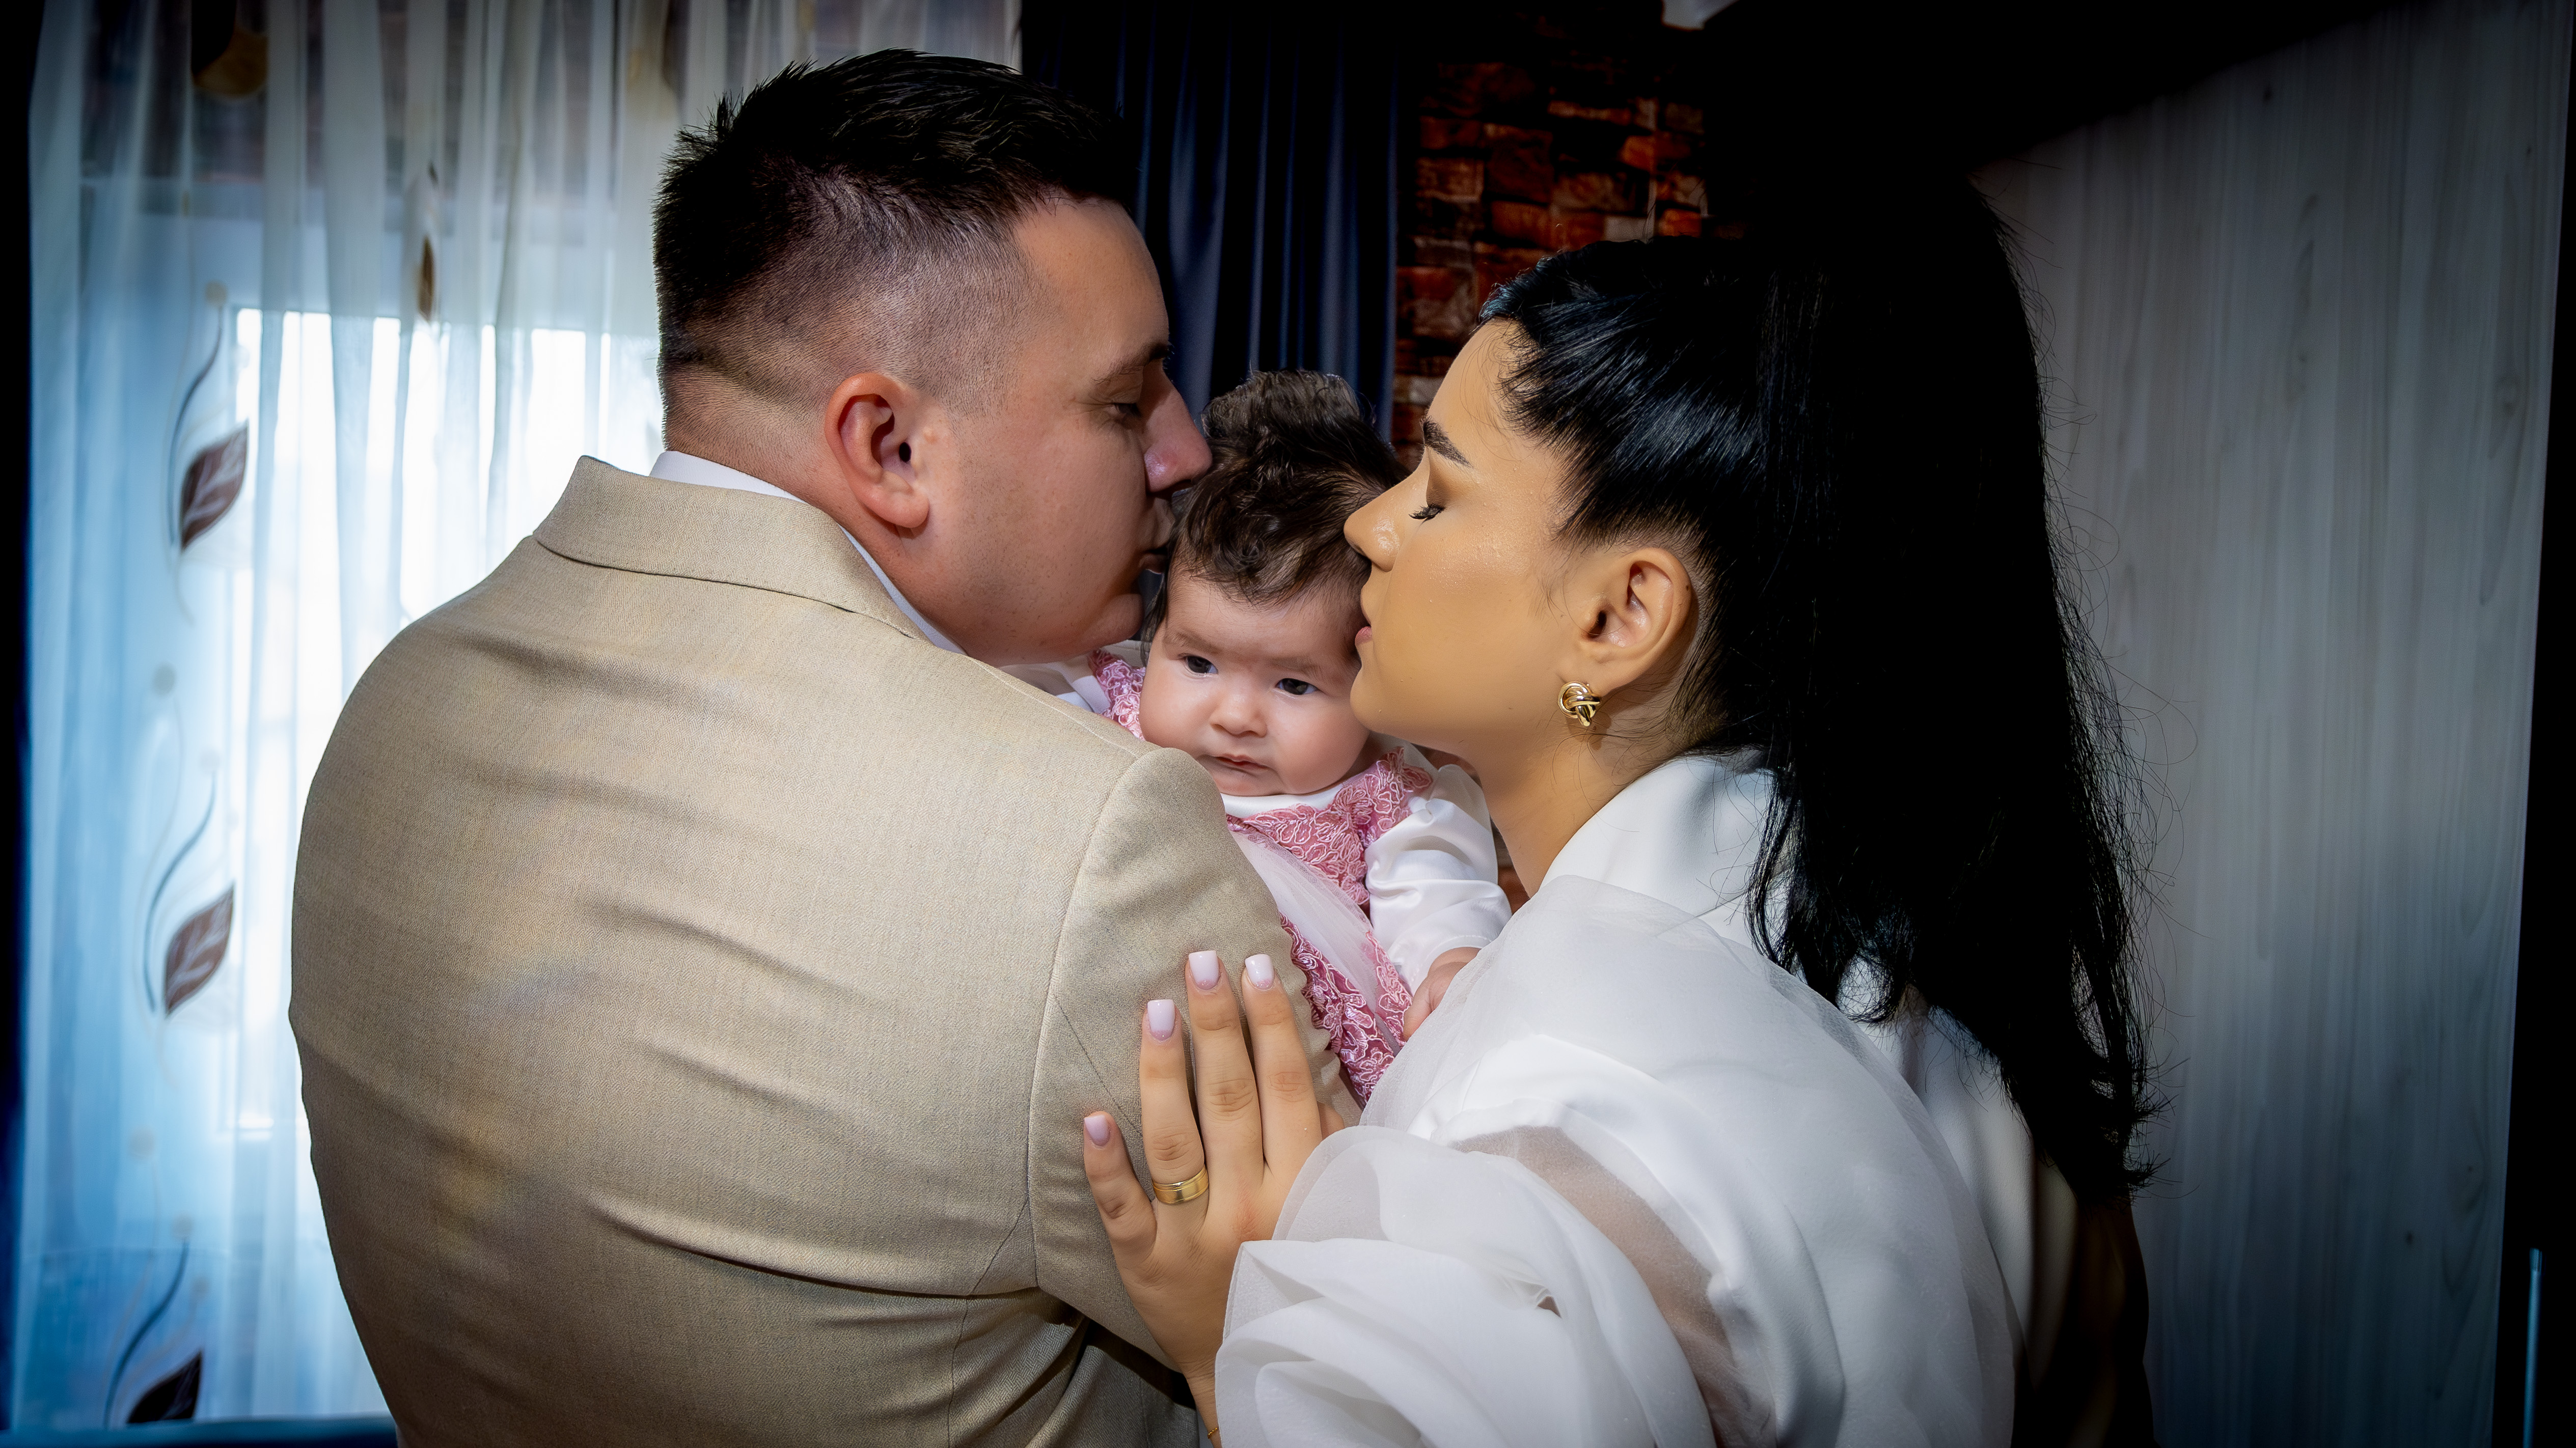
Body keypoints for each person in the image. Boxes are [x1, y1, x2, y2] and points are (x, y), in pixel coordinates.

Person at [291, 52, 1352, 1447]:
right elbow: (1368, 1372)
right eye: (1124, 399)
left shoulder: (401, 691)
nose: (1184, 450)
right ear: (890, 447)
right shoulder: (1089, 841)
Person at [1082, 188, 2158, 1446]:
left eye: (1438, 491)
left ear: (1619, 617)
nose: (1369, 526)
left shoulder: (1550, 1111)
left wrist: (1229, 1351)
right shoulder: (1890, 934)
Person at [1011, 372, 1512, 1100]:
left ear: (1368, 675)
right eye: (1199, 663)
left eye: (1294, 685)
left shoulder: (1388, 797)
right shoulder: (1110, 699)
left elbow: (1434, 892)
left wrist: (1450, 958)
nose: (1235, 716)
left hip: (1297, 1069)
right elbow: (995, 694)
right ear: (1159, 636)